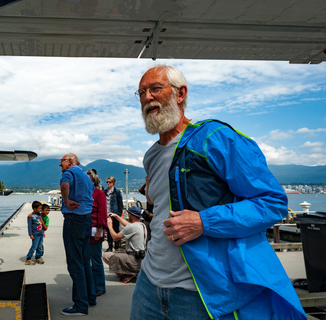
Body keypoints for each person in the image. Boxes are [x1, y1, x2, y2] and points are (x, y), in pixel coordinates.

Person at [130, 65, 307, 320]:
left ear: (180, 94)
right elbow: (162, 207)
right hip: (148, 284)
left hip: (202, 292)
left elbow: (272, 202)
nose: (147, 98)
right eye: (142, 92)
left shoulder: (214, 138)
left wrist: (204, 221)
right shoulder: (151, 155)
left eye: (156, 89)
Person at [59, 153, 96, 316]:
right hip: (86, 219)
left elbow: (64, 186)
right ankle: (90, 297)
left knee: (75, 263)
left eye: (62, 162)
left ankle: (80, 305)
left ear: (70, 161)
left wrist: (66, 201)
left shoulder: (70, 172)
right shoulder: (86, 176)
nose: (60, 166)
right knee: (84, 260)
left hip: (74, 219)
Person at [102, 206, 146, 284]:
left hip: (133, 259)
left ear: (131, 215)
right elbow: (128, 225)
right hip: (140, 258)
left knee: (105, 256)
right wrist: (117, 216)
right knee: (118, 253)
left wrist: (109, 225)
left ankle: (128, 272)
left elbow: (115, 237)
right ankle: (129, 271)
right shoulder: (142, 225)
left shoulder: (132, 227)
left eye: (128, 214)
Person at [86, 169, 108, 297]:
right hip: (84, 231)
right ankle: (90, 285)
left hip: (95, 231)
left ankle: (100, 286)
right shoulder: (84, 193)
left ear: (94, 181)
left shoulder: (99, 194)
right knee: (86, 260)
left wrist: (100, 229)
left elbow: (102, 212)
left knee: (96, 260)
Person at [104, 176, 123, 252]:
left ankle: (117, 247)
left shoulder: (117, 192)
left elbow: (120, 203)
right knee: (109, 231)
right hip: (107, 214)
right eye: (107, 182)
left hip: (114, 214)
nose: (108, 183)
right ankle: (110, 246)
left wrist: (118, 214)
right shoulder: (105, 192)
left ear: (113, 183)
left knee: (116, 230)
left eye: (110, 182)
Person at [25, 201, 44, 265]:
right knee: (34, 246)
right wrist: (30, 234)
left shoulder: (39, 214)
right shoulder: (31, 216)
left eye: (41, 208)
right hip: (35, 234)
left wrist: (43, 232)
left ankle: (38, 257)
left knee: (40, 246)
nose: (41, 210)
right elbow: (29, 226)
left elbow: (41, 223)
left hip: (40, 233)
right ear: (35, 209)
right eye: (40, 208)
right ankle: (28, 258)